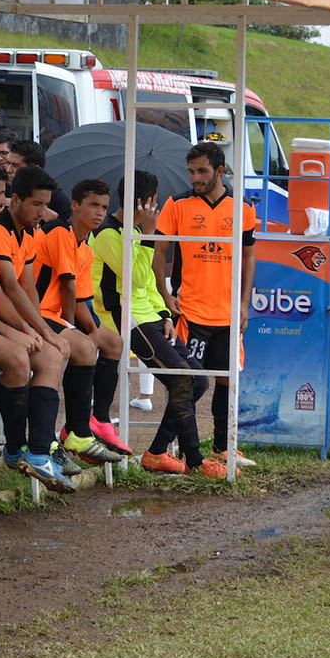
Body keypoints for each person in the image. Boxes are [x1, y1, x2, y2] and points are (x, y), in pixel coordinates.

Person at [90, 171, 220, 477]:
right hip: (121, 317)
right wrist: (148, 236)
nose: (158, 206)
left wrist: (164, 315)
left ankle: (158, 451)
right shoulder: (109, 233)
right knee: (181, 379)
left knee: (196, 379)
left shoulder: (134, 231)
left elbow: (148, 284)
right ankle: (196, 461)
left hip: (147, 314)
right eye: (155, 200)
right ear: (146, 202)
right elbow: (134, 277)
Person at [0, 162, 75, 492]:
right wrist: (29, 330)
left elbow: (25, 288)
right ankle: (21, 448)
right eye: (36, 203)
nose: (43, 211)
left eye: (46, 204)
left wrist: (38, 329)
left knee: (54, 354)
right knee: (27, 356)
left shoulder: (31, 233)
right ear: (16, 200)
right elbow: (2, 290)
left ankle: (40, 450)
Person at [153, 141, 257, 470]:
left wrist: (243, 304)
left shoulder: (241, 207)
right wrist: (165, 296)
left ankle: (223, 448)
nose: (195, 178)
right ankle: (178, 450)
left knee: (227, 380)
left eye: (202, 171)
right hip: (191, 312)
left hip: (226, 313)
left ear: (220, 171)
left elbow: (249, 257)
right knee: (192, 383)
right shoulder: (178, 204)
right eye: (191, 171)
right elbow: (159, 254)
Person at [33, 181, 125, 467]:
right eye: (93, 205)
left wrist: (95, 330)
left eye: (104, 207)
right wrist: (73, 329)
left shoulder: (85, 247)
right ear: (75, 205)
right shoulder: (60, 232)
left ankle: (99, 420)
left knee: (112, 342)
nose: (99, 213)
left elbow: (83, 299)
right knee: (83, 347)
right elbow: (68, 288)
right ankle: (76, 431)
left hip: (58, 315)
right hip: (38, 312)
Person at [8, 140, 72, 224]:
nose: (8, 170)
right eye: (8, 163)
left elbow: (72, 232)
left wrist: (55, 221)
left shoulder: (58, 198)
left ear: (35, 168)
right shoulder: (4, 189)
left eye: (15, 166)